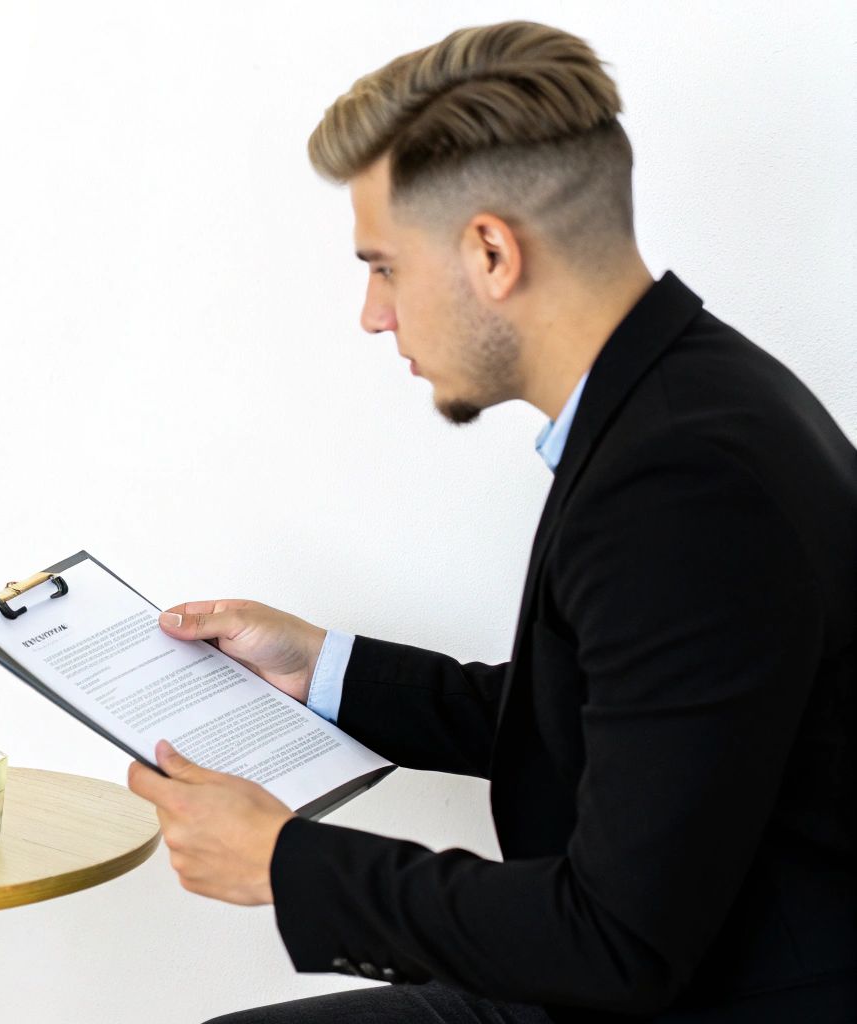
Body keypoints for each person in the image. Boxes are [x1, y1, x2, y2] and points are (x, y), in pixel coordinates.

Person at [124, 20, 856, 1023]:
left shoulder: (679, 482)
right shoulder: (689, 397)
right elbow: (621, 714)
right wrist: (319, 668)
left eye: (381, 266)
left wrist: (285, 861)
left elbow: (614, 942)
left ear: (489, 252)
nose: (371, 315)